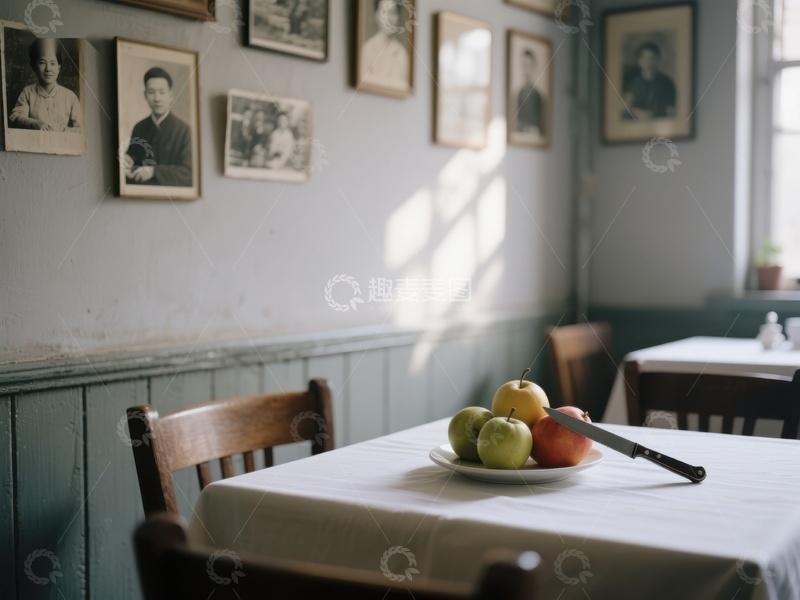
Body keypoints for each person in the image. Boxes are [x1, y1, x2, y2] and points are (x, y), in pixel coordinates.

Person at [124, 66, 192, 187]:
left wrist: (154, 171)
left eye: (162, 92)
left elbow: (189, 174)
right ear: (145, 95)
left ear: (170, 96)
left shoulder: (184, 131)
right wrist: (128, 161)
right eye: (151, 92)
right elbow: (133, 161)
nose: (157, 99)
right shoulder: (139, 127)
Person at [9, 38, 82, 132]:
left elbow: (81, 129)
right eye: (42, 63)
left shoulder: (70, 96)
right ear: (34, 66)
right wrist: (35, 123)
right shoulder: (28, 92)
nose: (48, 69)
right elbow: (16, 116)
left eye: (52, 63)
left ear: (58, 67)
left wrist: (62, 130)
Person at [622, 41, 676, 120]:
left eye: (653, 59)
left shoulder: (667, 83)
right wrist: (637, 112)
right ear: (639, 61)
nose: (650, 63)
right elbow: (626, 107)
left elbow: (671, 111)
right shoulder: (633, 84)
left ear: (658, 60)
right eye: (646, 59)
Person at [361, 0, 409, 89]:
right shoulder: (367, 49)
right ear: (376, 15)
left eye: (393, 13)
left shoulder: (402, 53)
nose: (388, 18)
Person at [516, 49, 545, 136]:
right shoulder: (518, 94)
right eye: (524, 65)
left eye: (529, 66)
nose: (526, 70)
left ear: (533, 67)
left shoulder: (537, 96)